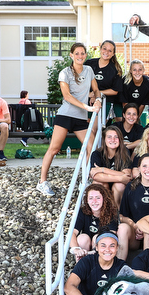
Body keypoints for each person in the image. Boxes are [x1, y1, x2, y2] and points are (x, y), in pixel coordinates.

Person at [37, 42, 101, 197]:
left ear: (86, 55)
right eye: (77, 53)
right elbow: (67, 96)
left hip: (80, 118)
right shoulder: (64, 73)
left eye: (82, 53)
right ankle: (42, 182)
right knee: (54, 149)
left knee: (91, 148)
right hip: (65, 115)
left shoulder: (89, 70)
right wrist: (87, 107)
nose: (80, 56)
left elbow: (96, 89)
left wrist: (98, 99)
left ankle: (84, 181)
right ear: (71, 55)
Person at [117, 154, 149, 260]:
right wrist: (135, 226)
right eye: (144, 166)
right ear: (139, 169)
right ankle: (119, 267)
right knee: (122, 228)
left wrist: (144, 226)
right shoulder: (131, 187)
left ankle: (145, 266)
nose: (148, 169)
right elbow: (122, 216)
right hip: (134, 235)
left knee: (148, 225)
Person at [70, 184, 120, 262]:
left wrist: (95, 250)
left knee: (97, 237)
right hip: (86, 246)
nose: (94, 201)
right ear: (87, 200)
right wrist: (76, 249)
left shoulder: (111, 213)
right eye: (91, 198)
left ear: (104, 199)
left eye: (98, 198)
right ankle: (81, 267)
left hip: (103, 249)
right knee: (82, 238)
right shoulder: (83, 211)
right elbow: (72, 233)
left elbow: (111, 236)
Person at [90, 126, 132, 206]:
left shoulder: (125, 152)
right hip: (107, 183)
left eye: (116, 137)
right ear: (104, 139)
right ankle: (103, 213)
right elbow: (96, 176)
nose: (113, 140)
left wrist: (103, 170)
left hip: (118, 187)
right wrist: (120, 178)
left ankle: (117, 214)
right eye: (109, 137)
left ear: (120, 139)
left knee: (119, 185)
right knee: (98, 184)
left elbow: (127, 175)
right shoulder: (97, 154)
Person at [85, 40, 124, 122]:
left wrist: (97, 93)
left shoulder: (115, 69)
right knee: (85, 126)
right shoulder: (89, 64)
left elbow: (115, 91)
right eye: (104, 49)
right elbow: (80, 80)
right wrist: (89, 94)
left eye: (110, 50)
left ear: (113, 54)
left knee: (95, 128)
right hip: (87, 100)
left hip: (105, 102)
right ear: (100, 49)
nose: (106, 52)